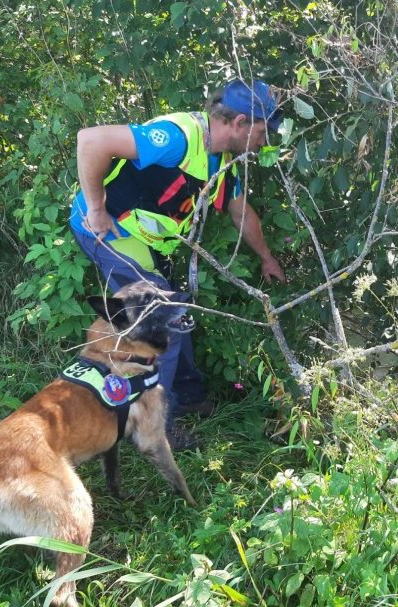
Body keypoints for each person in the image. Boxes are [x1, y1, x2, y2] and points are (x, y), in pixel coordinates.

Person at [69, 78, 286, 450]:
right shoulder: (179, 138)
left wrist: (266, 257)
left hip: (146, 241)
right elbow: (91, 140)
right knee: (164, 318)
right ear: (238, 124)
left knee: (177, 313)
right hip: (109, 231)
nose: (264, 143)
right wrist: (97, 209)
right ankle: (152, 426)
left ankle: (187, 395)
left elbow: (241, 214)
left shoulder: (224, 163)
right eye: (262, 132)